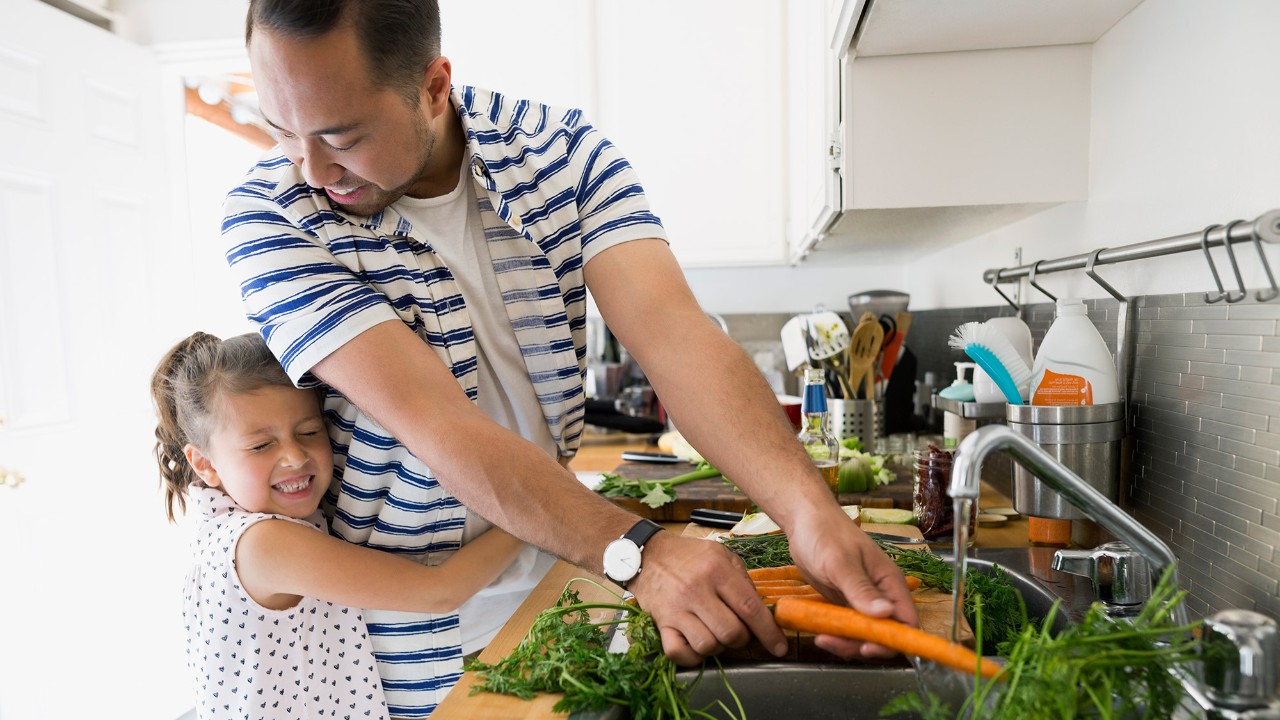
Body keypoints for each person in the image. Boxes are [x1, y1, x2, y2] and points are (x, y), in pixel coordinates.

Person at [225, 0, 917, 715]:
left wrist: (807, 513)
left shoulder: (560, 151)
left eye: (341, 135)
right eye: (282, 131)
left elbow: (675, 335)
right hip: (409, 653)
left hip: (573, 587)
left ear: (433, 87)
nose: (308, 168)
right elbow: (439, 425)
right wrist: (640, 552)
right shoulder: (270, 216)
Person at [152, 332, 526, 720]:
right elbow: (439, 592)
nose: (295, 457)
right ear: (205, 464)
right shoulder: (263, 544)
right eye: (261, 445)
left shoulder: (223, 524)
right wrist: (532, 513)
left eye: (309, 432)